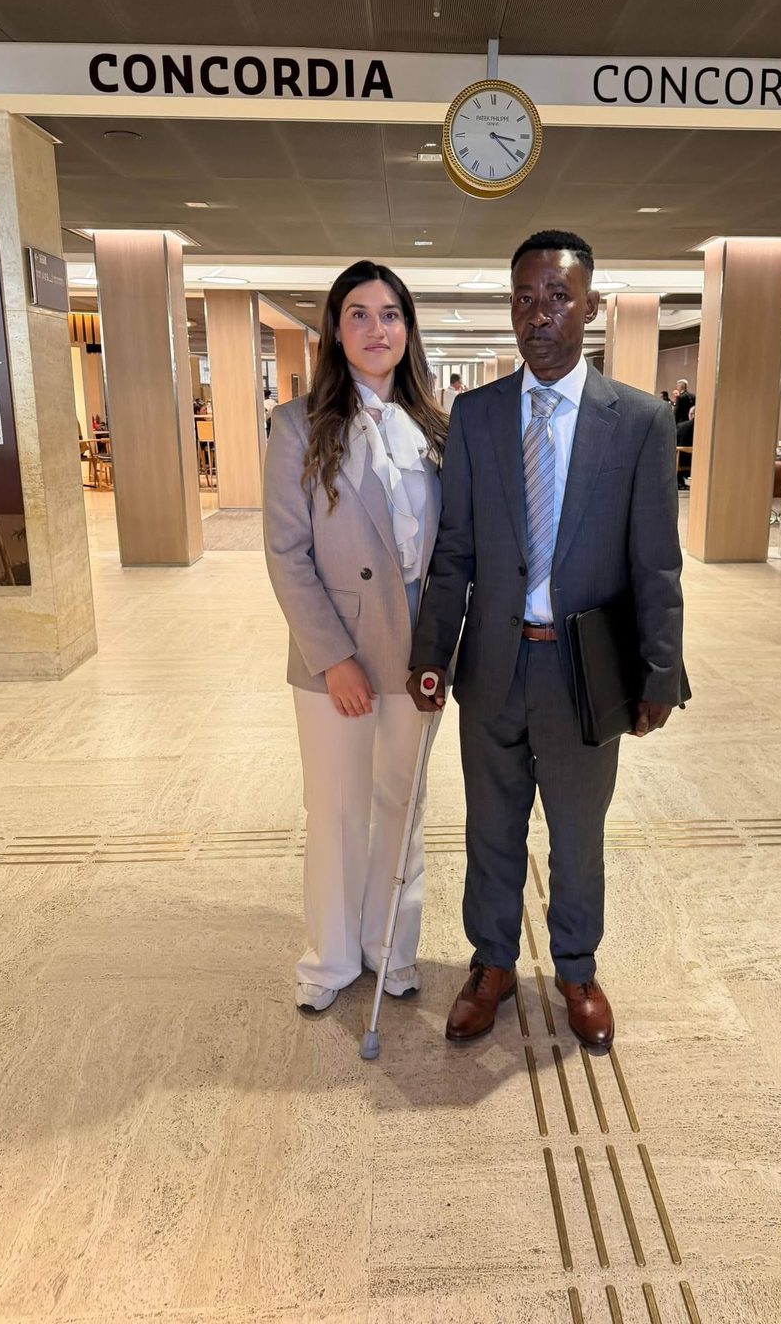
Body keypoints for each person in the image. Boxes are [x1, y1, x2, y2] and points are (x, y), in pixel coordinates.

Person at [407, 230, 688, 1053]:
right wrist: (431, 655)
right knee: (490, 826)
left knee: (576, 830)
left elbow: (655, 563)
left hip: (584, 673)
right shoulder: (479, 415)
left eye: (558, 297)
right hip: (492, 666)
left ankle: (575, 966)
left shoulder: (636, 421)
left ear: (591, 307)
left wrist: (661, 672)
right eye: (525, 298)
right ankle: (490, 963)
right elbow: (454, 548)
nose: (540, 314)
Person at [263, 261, 446, 1013]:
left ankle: (389, 949)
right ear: (336, 331)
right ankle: (333, 957)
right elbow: (285, 550)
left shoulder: (435, 428)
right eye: (361, 315)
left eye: (392, 314)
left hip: (418, 646)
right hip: (335, 645)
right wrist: (333, 657)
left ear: (408, 330)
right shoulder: (298, 424)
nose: (379, 329)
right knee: (337, 805)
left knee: (402, 805)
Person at [676, 405, 695, 489]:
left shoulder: (681, 426)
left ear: (691, 414)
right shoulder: (706, 427)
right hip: (698, 462)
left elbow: (674, 442)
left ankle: (679, 482)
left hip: (681, 461)